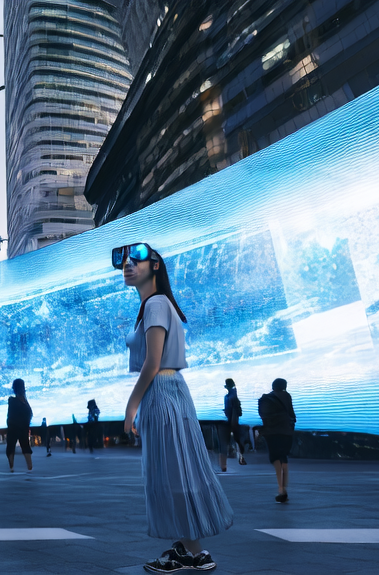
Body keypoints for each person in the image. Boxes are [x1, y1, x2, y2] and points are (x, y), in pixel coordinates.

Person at [119, 241, 232, 573]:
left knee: (170, 473)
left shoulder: (155, 304)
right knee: (179, 470)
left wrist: (131, 407)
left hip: (161, 391)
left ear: (155, 266)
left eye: (138, 258)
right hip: (174, 390)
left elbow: (152, 363)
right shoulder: (160, 303)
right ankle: (191, 549)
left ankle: (191, 550)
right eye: (124, 260)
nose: (128, 264)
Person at [259, 378, 296, 503]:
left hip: (272, 432)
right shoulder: (287, 396)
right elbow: (291, 414)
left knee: (275, 459)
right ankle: (283, 488)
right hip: (286, 432)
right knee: (283, 458)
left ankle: (281, 489)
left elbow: (263, 416)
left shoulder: (266, 398)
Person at [5, 378, 34, 473]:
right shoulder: (24, 402)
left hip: (13, 426)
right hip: (23, 427)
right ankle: (29, 467)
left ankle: (11, 467)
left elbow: (10, 416)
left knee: (11, 446)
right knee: (25, 445)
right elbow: (29, 414)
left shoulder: (12, 401)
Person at [219, 378, 247, 471]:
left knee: (227, 443)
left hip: (231, 421)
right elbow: (238, 411)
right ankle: (240, 458)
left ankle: (224, 465)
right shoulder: (232, 395)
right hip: (233, 421)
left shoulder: (229, 397)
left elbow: (234, 411)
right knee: (237, 441)